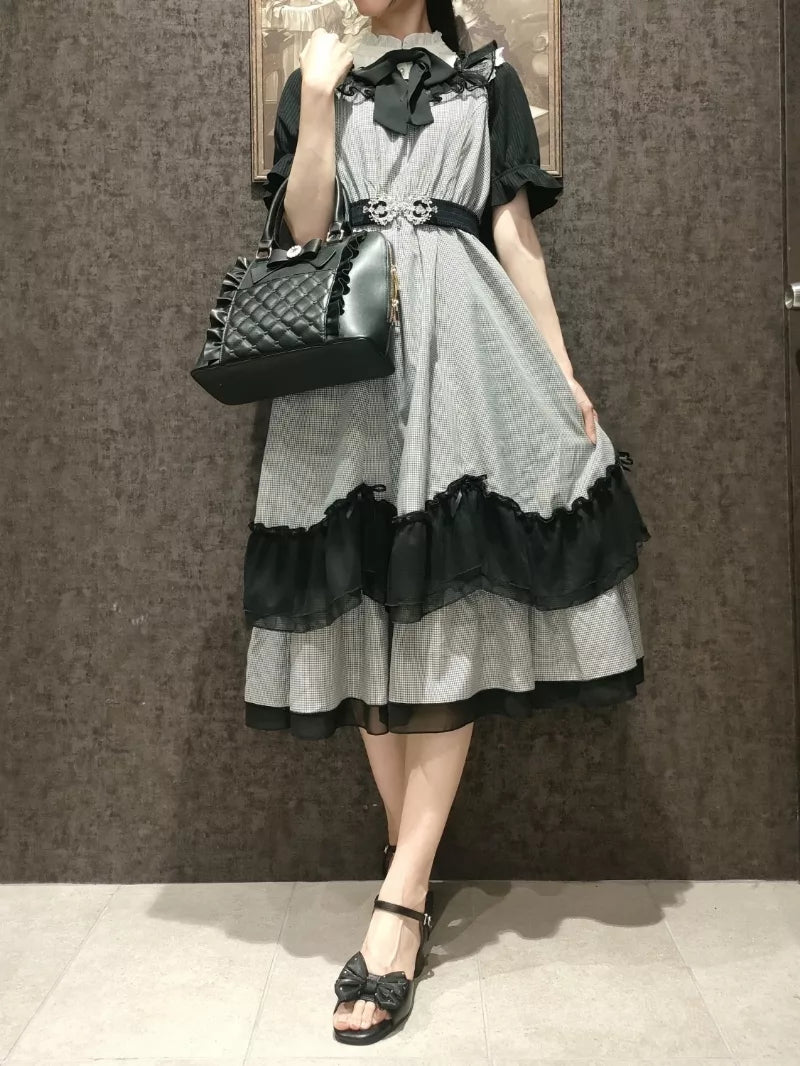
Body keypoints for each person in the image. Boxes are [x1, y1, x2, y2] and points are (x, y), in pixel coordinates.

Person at [243, 0, 651, 1046]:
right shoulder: (315, 78)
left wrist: (560, 369)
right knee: (367, 596)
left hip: (467, 352)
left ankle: (399, 898)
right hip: (352, 354)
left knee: (445, 605)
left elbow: (515, 238)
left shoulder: (487, 78)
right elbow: (301, 233)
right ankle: (409, 872)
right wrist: (320, 101)